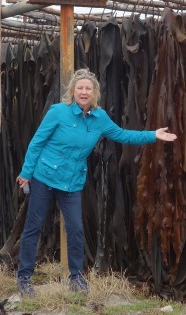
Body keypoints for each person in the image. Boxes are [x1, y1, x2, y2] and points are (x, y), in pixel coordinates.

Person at [15, 68, 177, 296]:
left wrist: (153, 135)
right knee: (33, 227)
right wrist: (26, 172)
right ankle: (24, 278)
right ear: (73, 90)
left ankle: (76, 277)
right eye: (80, 88)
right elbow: (37, 143)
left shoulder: (100, 118)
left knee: (76, 230)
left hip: (72, 183)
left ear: (94, 93)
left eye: (88, 89)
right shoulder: (58, 112)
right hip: (45, 177)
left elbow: (123, 135)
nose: (84, 92)